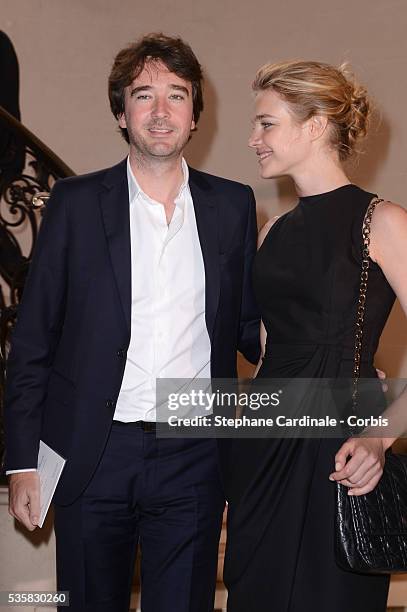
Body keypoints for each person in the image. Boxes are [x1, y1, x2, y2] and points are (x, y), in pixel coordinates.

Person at [4, 33, 260, 612]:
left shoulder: (234, 206)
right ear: (122, 112)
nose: (161, 110)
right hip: (92, 453)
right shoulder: (73, 202)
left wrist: (330, 343)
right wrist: (23, 461)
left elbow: (248, 329)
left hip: (193, 451)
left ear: (196, 112)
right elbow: (34, 341)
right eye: (144, 96)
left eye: (177, 94)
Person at [223, 60, 407, 611]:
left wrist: (380, 434)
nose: (252, 139)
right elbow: (266, 343)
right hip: (262, 440)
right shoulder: (273, 230)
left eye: (266, 123)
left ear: (315, 124)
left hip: (337, 448)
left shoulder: (384, 221)